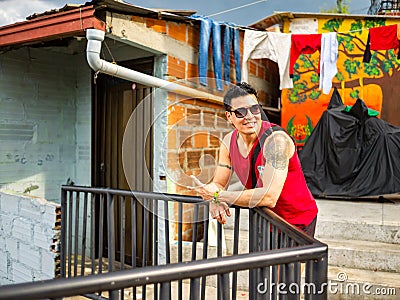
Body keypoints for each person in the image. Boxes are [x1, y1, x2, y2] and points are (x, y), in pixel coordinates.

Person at [191, 82, 318, 237]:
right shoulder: (228, 142)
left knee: (288, 262)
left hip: (294, 221)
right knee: (260, 261)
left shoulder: (276, 142)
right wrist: (214, 200)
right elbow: (219, 183)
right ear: (229, 117)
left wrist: (217, 196)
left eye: (254, 109)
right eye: (240, 112)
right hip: (263, 218)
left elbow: (269, 196)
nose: (250, 116)